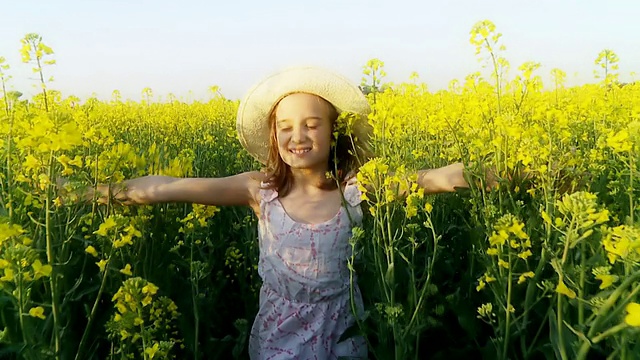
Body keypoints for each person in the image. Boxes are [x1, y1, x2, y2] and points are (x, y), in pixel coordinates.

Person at [84, 67, 471, 359]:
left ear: (335, 131)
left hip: (343, 328)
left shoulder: (358, 186)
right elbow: (169, 187)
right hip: (279, 331)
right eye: (285, 127)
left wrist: (517, 174)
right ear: (274, 136)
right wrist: (95, 193)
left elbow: (437, 178)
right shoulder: (260, 190)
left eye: (311, 124)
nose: (297, 136)